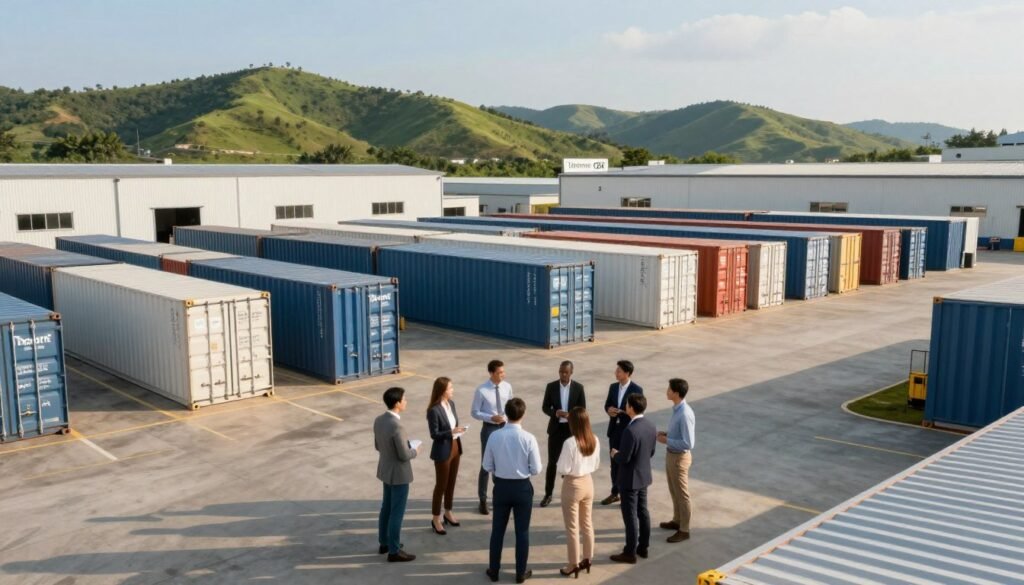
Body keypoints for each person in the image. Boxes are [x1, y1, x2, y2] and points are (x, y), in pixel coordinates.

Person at [483, 397, 542, 584]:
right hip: (522, 488)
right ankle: (520, 572)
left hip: (501, 487)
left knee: (497, 531)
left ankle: (494, 570)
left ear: (506, 415)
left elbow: (486, 465)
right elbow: (536, 469)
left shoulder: (494, 436)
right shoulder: (529, 438)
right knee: (522, 532)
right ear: (523, 414)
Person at [609, 394, 657, 564]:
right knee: (643, 512)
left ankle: (629, 552)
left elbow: (624, 459)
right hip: (643, 476)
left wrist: (615, 454)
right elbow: (651, 452)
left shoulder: (630, 431)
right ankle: (643, 547)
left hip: (629, 479)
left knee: (630, 517)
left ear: (630, 408)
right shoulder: (650, 426)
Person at [374, 386, 419, 562]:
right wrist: (415, 449)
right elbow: (404, 455)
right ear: (397, 403)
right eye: (404, 399)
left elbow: (378, 446)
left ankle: (384, 542)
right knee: (396, 513)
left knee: (386, 507)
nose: (406, 401)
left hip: (385, 469)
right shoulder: (397, 426)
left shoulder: (379, 420)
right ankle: (394, 550)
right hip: (399, 474)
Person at [557, 407, 600, 578]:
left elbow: (563, 467)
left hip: (572, 484)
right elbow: (596, 464)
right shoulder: (594, 439)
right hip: (588, 482)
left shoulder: (570, 443)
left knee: (572, 528)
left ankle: (573, 564)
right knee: (587, 524)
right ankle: (588, 559)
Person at [541, 360, 586, 508]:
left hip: (571, 431)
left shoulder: (579, 388)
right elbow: (545, 407)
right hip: (555, 430)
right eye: (561, 371)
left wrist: (571, 415)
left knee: (573, 464)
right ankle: (548, 494)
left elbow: (582, 410)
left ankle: (573, 494)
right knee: (552, 463)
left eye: (566, 372)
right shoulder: (551, 386)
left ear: (571, 372)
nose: (563, 374)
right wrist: (555, 413)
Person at [426, 376, 468, 536]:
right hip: (443, 450)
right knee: (441, 486)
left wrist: (458, 430)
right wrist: (450, 432)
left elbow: (453, 424)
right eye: (450, 388)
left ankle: (448, 512)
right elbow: (434, 434)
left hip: (456, 447)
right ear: (443, 391)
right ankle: (436, 518)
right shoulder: (433, 410)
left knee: (451, 483)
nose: (453, 390)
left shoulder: (451, 404)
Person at [472, 359, 514, 515]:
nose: (503, 374)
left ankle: (500, 497)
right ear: (491, 373)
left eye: (503, 371)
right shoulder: (481, 390)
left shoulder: (507, 387)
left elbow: (511, 406)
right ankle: (482, 500)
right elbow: (474, 412)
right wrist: (491, 417)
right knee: (486, 464)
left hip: (504, 426)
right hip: (489, 428)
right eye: (500, 372)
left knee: (502, 462)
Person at [657, 378, 695, 544]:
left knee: (682, 494)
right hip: (672, 455)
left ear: (676, 393)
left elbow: (688, 443)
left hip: (679, 458)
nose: (667, 391)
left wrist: (667, 441)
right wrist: (668, 434)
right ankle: (677, 520)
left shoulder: (685, 414)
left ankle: (684, 529)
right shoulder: (677, 410)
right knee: (674, 490)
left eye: (669, 389)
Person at [601, 360, 643, 506]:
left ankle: (626, 494)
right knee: (614, 464)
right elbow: (607, 404)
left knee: (626, 463)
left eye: (619, 371)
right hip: (614, 431)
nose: (616, 373)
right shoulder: (613, 387)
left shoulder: (636, 389)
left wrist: (624, 412)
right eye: (616, 370)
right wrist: (609, 410)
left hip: (628, 431)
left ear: (627, 373)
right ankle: (615, 493)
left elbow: (638, 410)